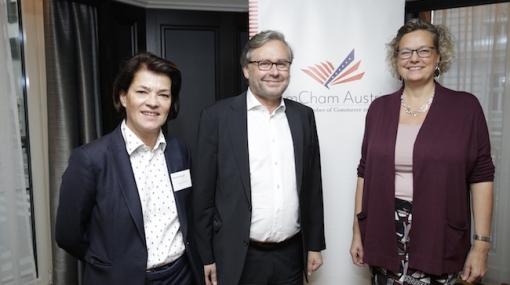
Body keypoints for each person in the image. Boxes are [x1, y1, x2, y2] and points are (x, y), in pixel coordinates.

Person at [349, 18, 495, 285]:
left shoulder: (465, 108)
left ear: (439, 55)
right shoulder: (379, 109)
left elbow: (481, 176)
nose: (413, 58)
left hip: (440, 233)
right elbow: (364, 173)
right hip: (384, 231)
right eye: (405, 51)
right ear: (397, 59)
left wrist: (481, 244)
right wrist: (357, 232)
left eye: (423, 50)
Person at [55, 51, 204, 285]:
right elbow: (68, 235)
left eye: (163, 94)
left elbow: (187, 214)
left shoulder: (180, 151)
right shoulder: (90, 159)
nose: (153, 102)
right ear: (123, 96)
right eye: (142, 92)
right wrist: (111, 263)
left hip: (181, 276)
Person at [193, 30, 326, 285]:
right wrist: (206, 256)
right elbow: (203, 197)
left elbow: (312, 188)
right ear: (246, 69)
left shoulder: (303, 117)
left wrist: (314, 245)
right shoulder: (217, 117)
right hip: (238, 256)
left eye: (282, 64)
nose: (274, 72)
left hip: (291, 256)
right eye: (264, 63)